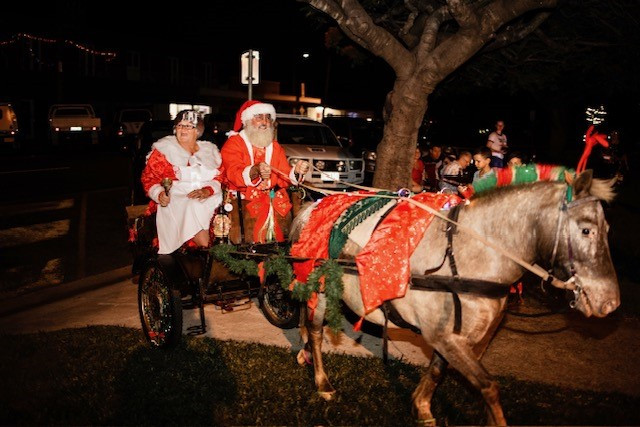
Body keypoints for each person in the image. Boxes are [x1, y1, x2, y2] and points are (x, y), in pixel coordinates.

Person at [221, 100, 309, 243]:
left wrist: (297, 171)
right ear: (247, 121)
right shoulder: (234, 143)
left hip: (272, 201)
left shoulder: (275, 147)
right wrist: (255, 170)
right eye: (259, 117)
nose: (265, 122)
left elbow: (284, 176)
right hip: (241, 203)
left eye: (268, 117)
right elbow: (233, 172)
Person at [140, 109, 224, 254]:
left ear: (197, 131)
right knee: (193, 205)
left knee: (226, 207)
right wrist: (159, 194)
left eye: (188, 126)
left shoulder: (209, 150)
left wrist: (207, 190)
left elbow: (219, 177)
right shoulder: (164, 150)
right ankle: (207, 249)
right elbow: (149, 178)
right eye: (180, 125)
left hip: (208, 194)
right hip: (177, 197)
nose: (183, 129)